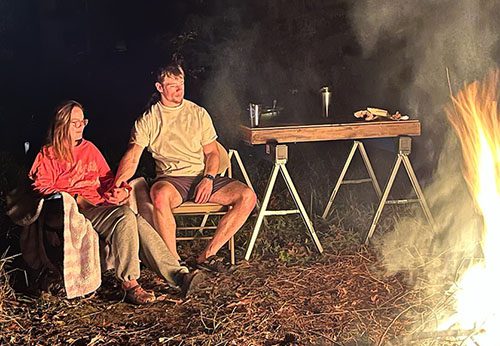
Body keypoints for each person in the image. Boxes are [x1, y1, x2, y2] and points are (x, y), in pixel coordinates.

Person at [29, 100, 202, 304]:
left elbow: (108, 179)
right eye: (74, 122)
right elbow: (40, 187)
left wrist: (121, 191)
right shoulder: (49, 154)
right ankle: (130, 283)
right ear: (61, 124)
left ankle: (179, 276)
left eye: (82, 121)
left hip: (101, 207)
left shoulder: (89, 149)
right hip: (75, 211)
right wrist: (75, 198)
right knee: (126, 216)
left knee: (136, 221)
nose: (81, 126)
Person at [113, 63, 256, 271]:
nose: (179, 89)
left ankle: (207, 256)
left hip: (202, 176)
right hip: (171, 180)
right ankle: (174, 264)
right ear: (159, 87)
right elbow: (133, 156)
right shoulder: (149, 120)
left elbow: (212, 153)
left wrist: (208, 178)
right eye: (172, 85)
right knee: (159, 195)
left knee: (248, 197)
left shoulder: (197, 113)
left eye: (181, 83)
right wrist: (119, 183)